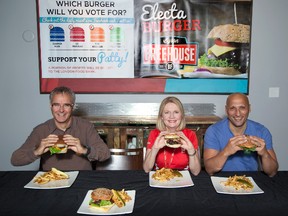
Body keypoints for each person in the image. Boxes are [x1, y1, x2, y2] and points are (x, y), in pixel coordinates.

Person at [11, 86, 110, 170]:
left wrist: (85, 150)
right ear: (50, 106)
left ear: (72, 106)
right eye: (56, 105)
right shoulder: (41, 130)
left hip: (82, 179)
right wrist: (37, 151)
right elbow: (15, 160)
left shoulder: (86, 126)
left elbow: (105, 154)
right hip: (51, 181)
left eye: (66, 105)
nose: (61, 110)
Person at [203, 93, 278, 177]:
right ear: (226, 110)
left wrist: (264, 154)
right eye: (232, 108)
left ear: (249, 109)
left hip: (251, 180)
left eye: (242, 108)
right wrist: (226, 152)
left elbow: (272, 172)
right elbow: (209, 169)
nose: (237, 114)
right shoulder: (213, 131)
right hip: (221, 180)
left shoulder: (261, 131)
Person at [143, 96, 201, 176]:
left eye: (176, 112)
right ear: (162, 117)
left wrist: (191, 150)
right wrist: (155, 149)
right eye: (167, 112)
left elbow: (196, 172)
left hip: (184, 178)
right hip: (160, 178)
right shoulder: (155, 134)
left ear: (181, 115)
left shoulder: (190, 134)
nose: (171, 116)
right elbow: (147, 169)